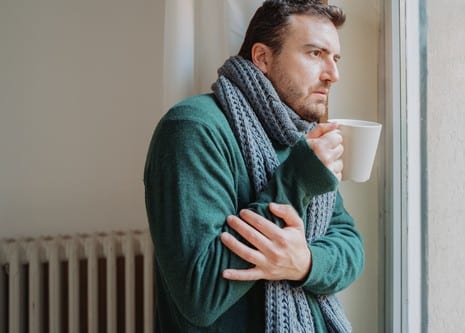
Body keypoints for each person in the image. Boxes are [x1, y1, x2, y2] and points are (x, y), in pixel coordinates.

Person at [144, 1, 365, 332]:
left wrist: (304, 263)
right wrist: (298, 180)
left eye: (335, 58)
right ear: (262, 57)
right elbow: (201, 295)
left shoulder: (299, 136)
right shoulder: (193, 129)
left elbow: (350, 247)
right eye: (315, 53)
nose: (333, 74)